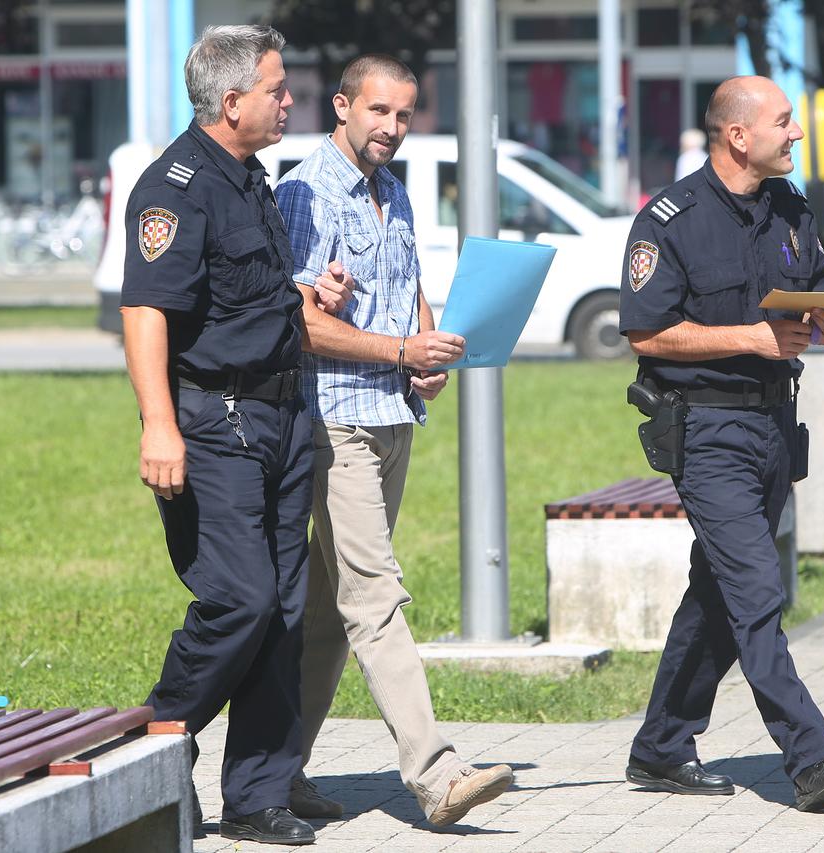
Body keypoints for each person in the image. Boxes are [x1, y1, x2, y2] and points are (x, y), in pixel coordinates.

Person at [120, 24, 351, 847]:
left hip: (283, 413)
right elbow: (146, 310)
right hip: (215, 422)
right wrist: (158, 425)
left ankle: (256, 796)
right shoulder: (175, 187)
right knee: (240, 599)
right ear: (231, 102)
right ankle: (152, 746)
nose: (291, 101)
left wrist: (303, 291)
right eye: (278, 90)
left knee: (284, 610)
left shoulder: (249, 178)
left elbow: (239, 290)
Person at [273, 54, 514, 827]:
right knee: (374, 594)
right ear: (342, 106)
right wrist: (398, 353)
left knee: (324, 610)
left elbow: (407, 287)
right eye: (379, 111)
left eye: (405, 116)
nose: (392, 128)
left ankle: (276, 773)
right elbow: (302, 322)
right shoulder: (305, 191)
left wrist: (427, 350)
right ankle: (435, 774)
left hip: (391, 417)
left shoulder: (395, 192)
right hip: (334, 419)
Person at [618, 76, 824, 812]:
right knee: (758, 590)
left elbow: (818, 292)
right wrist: (752, 338)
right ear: (738, 135)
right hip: (707, 428)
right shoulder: (670, 218)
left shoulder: (789, 207)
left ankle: (661, 747)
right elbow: (647, 330)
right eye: (784, 123)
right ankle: (812, 755)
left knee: (720, 595)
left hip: (773, 428)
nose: (795, 134)